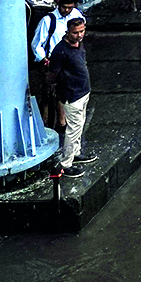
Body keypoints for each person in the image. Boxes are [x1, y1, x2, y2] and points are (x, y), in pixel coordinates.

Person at [30, 0, 83, 131]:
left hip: (70, 62)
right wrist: (44, 60)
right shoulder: (48, 21)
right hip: (52, 62)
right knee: (48, 95)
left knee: (66, 93)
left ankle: (62, 122)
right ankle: (46, 123)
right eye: (64, 7)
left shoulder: (76, 15)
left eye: (69, 7)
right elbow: (37, 44)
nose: (66, 10)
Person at [53, 18, 93, 177]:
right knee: (73, 130)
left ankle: (75, 153)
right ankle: (66, 163)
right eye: (75, 32)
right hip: (72, 95)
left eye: (82, 31)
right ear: (67, 32)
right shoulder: (60, 51)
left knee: (79, 125)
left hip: (83, 91)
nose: (79, 35)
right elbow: (52, 74)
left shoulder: (79, 45)